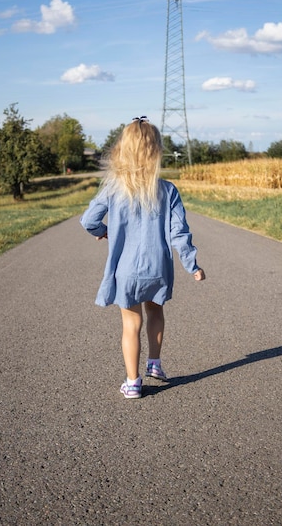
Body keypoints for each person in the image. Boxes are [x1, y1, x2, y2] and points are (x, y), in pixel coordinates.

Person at [80, 117, 205, 399]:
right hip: (158, 267)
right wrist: (192, 264)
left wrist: (103, 231)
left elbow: (88, 221)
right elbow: (179, 233)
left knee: (130, 324)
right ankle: (155, 364)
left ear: (123, 150)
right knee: (156, 312)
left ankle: (133, 382)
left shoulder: (113, 187)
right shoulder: (168, 190)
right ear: (156, 151)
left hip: (126, 270)